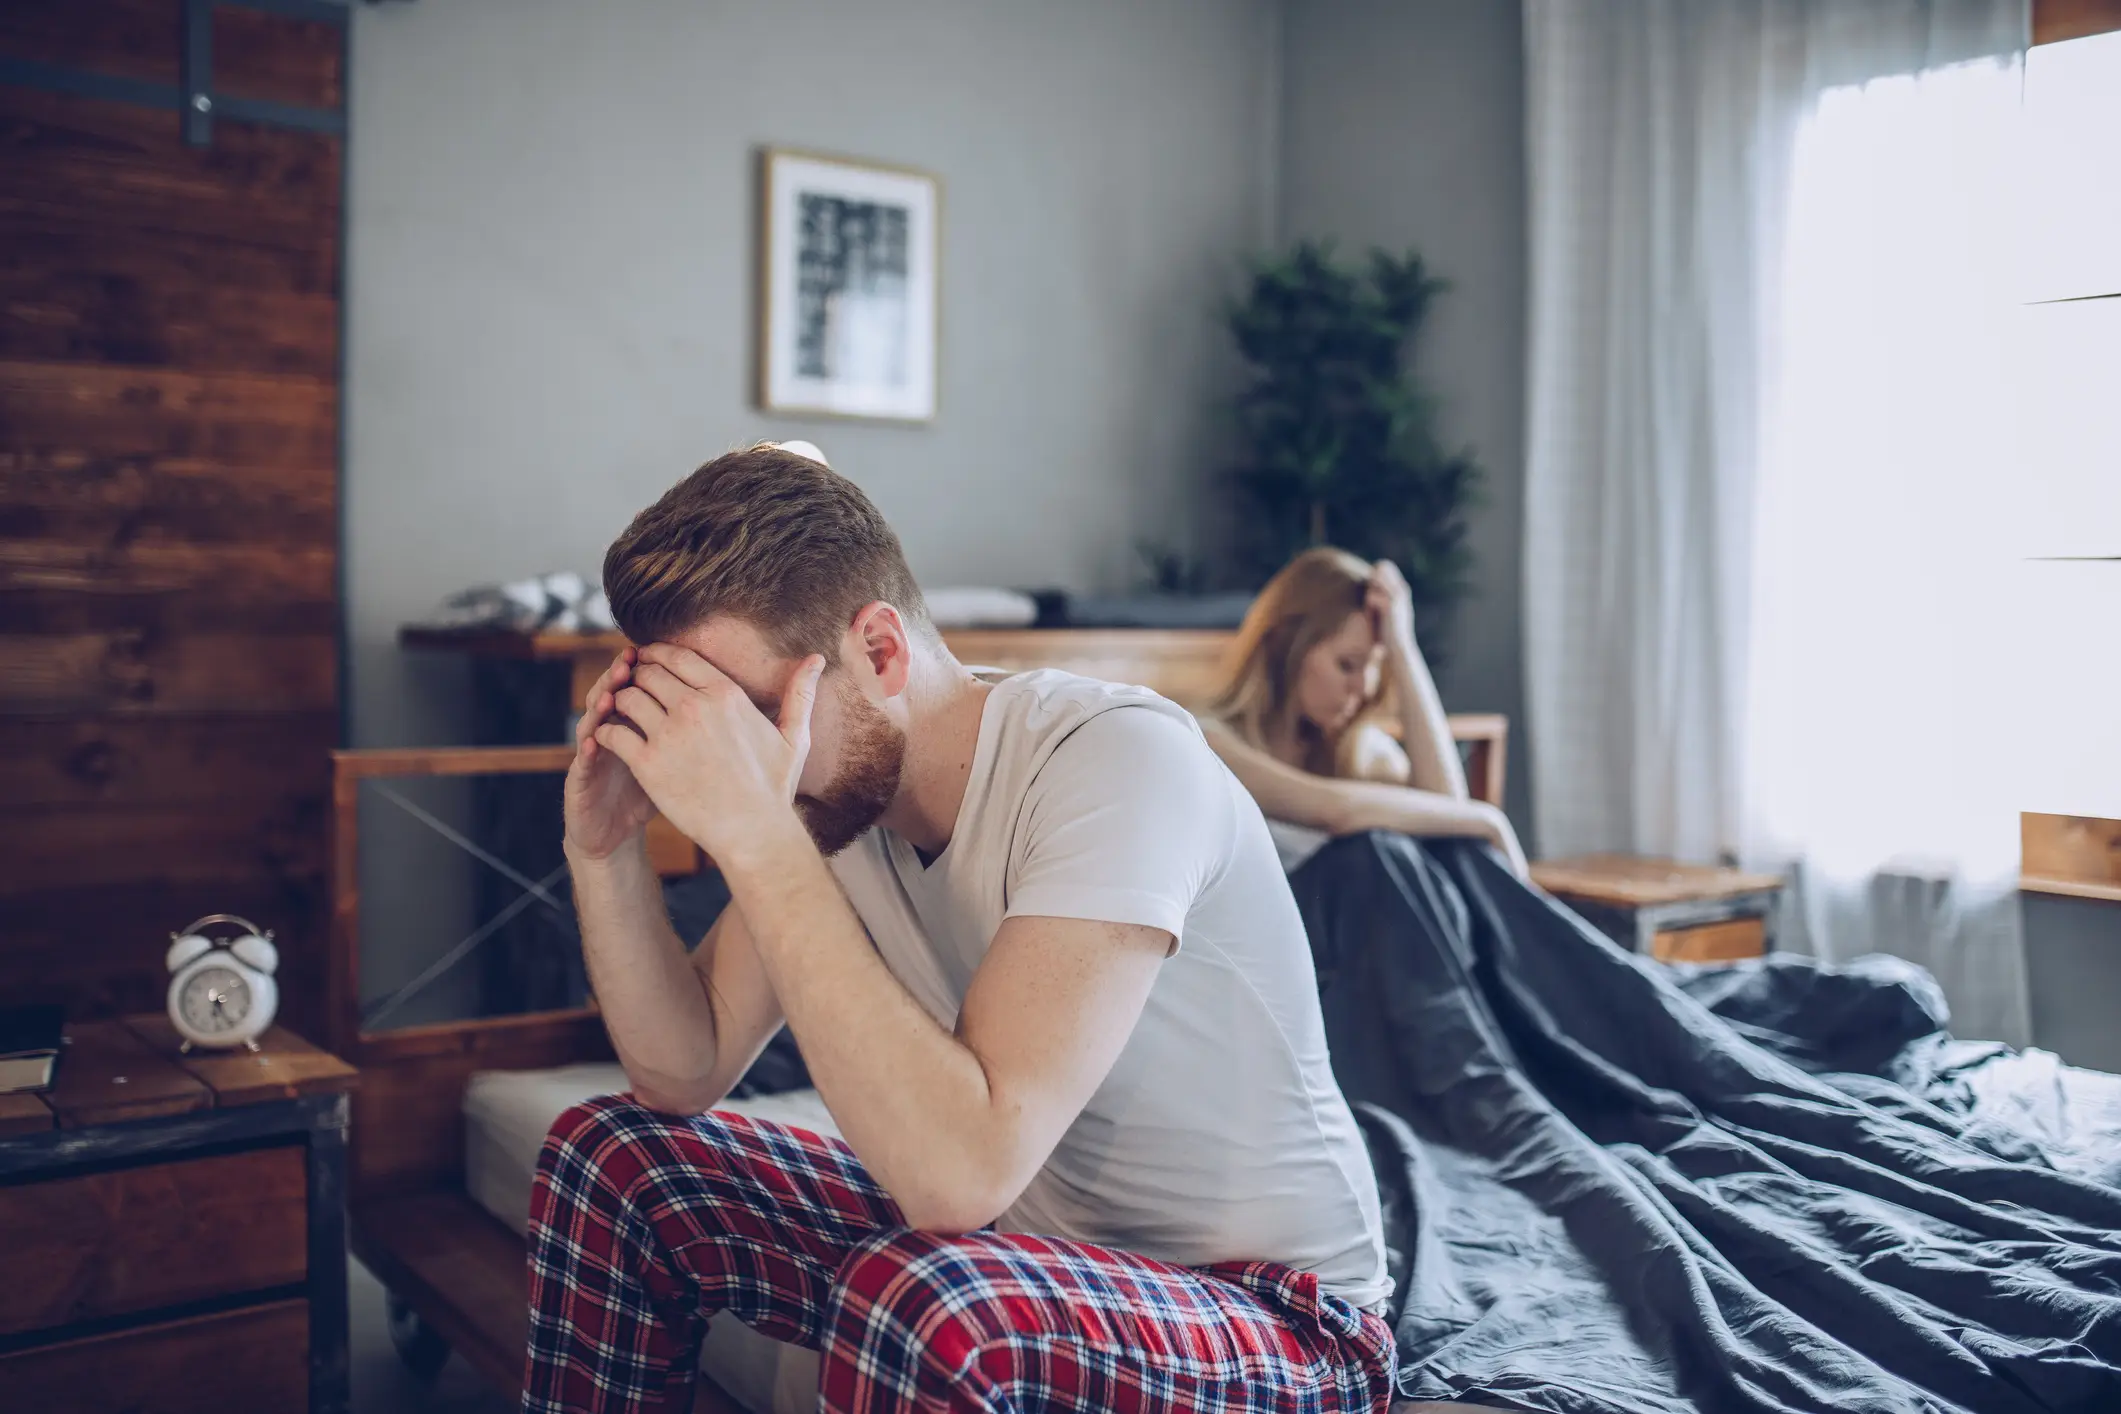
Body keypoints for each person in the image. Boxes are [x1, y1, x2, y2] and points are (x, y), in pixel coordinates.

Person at [527, 445, 1397, 1413]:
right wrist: (603, 851)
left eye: (760, 712)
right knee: (616, 1157)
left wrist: (759, 836)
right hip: (1034, 1256)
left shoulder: (1114, 763)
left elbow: (958, 1177)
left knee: (919, 1300)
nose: (740, 759)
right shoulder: (833, 801)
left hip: (1280, 1317)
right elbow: (684, 1065)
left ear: (881, 650)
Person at [1198, 547, 1527, 877]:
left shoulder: (1361, 751)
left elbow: (1450, 815)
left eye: (1374, 666)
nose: (1365, 687)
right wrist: (1490, 820)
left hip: (1375, 926)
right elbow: (1333, 810)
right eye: (1348, 665)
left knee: (1453, 853)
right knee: (1374, 850)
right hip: (1296, 923)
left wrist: (1403, 648)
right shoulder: (1209, 742)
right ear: (1286, 647)